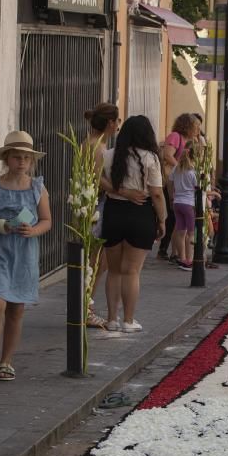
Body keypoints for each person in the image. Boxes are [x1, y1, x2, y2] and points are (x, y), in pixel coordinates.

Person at [0, 131, 52, 383]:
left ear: (31, 160)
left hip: (24, 253)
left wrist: (33, 230)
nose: (21, 161)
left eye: (26, 157)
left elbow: (47, 220)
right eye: (16, 156)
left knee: (16, 308)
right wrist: (0, 226)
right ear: (7, 158)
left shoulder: (37, 188)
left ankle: (7, 361)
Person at [101, 116, 168, 332]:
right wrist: (162, 219)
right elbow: (157, 194)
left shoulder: (110, 155)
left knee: (113, 271)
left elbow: (96, 179)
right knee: (131, 271)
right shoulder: (150, 158)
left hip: (113, 212)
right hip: (141, 213)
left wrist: (119, 191)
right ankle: (128, 321)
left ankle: (111, 319)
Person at [82, 102, 120, 329]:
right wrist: (119, 190)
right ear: (109, 123)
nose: (117, 126)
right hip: (95, 206)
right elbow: (97, 180)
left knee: (100, 261)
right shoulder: (95, 147)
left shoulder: (96, 144)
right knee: (95, 261)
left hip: (96, 204)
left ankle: (86, 303)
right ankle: (85, 306)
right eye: (117, 121)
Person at [158, 113, 201, 260]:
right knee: (172, 219)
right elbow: (167, 155)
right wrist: (182, 169)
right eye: (196, 126)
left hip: (177, 183)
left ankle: (176, 253)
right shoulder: (175, 136)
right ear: (188, 126)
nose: (198, 129)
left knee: (178, 222)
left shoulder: (189, 140)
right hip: (170, 182)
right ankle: (166, 250)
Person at [170, 142, 197, 271]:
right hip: (188, 203)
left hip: (177, 202)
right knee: (191, 233)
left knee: (180, 232)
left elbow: (170, 182)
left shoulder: (176, 169)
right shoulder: (192, 172)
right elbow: (197, 188)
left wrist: (172, 196)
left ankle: (182, 258)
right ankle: (190, 260)